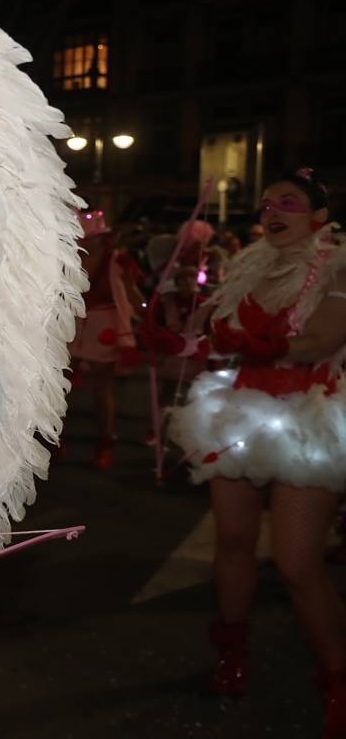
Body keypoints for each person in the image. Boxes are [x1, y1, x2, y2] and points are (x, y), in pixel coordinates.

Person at [160, 169, 346, 735]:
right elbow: (206, 328)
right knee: (234, 542)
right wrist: (178, 332)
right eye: (266, 204)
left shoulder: (336, 264)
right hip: (242, 409)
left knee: (296, 562)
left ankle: (338, 680)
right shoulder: (247, 266)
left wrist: (265, 342)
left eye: (287, 202)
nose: (271, 210)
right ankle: (233, 653)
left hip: (307, 412)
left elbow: (324, 339)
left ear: (318, 216)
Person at [67, 209, 144, 468]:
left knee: (102, 387)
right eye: (82, 239)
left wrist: (145, 312)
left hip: (105, 324)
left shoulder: (116, 260)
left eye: (91, 239)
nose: (85, 243)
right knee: (60, 387)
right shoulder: (67, 257)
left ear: (102, 239)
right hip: (73, 322)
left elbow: (131, 292)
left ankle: (105, 440)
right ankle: (53, 440)